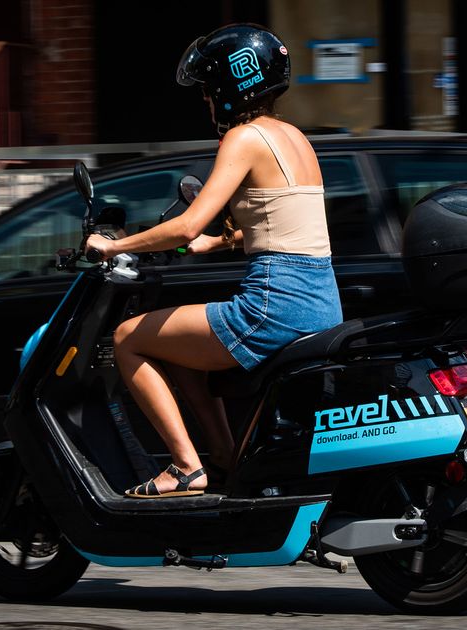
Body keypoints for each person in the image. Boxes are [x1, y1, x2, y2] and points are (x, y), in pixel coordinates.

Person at [84, 23, 343, 499]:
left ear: (230, 86)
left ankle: (185, 468)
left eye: (208, 89)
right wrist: (216, 243)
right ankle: (224, 458)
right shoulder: (294, 137)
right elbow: (286, 220)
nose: (206, 99)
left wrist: (113, 246)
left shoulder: (243, 138)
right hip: (321, 300)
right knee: (176, 348)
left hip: (275, 304)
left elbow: (185, 225)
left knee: (127, 339)